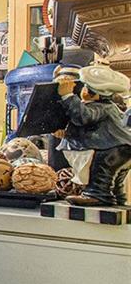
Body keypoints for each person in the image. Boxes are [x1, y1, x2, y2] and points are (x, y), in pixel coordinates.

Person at [56, 64, 131, 207]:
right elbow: (88, 128)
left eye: (85, 88)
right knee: (114, 178)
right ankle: (116, 197)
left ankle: (97, 195)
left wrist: (67, 96)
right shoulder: (108, 107)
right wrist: (66, 134)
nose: (82, 91)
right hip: (123, 147)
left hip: (113, 149)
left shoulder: (100, 107)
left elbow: (82, 117)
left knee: (101, 172)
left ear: (95, 93)